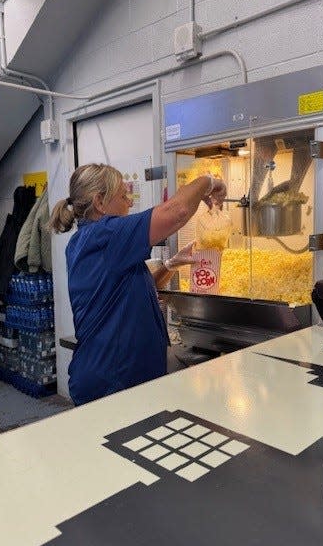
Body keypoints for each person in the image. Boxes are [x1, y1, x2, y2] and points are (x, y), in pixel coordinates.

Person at [49, 163, 226, 406]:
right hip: (112, 383)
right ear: (100, 202)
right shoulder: (105, 235)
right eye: (124, 196)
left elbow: (125, 291)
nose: (130, 203)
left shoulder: (89, 241)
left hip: (119, 378)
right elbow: (178, 211)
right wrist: (211, 181)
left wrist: (171, 265)